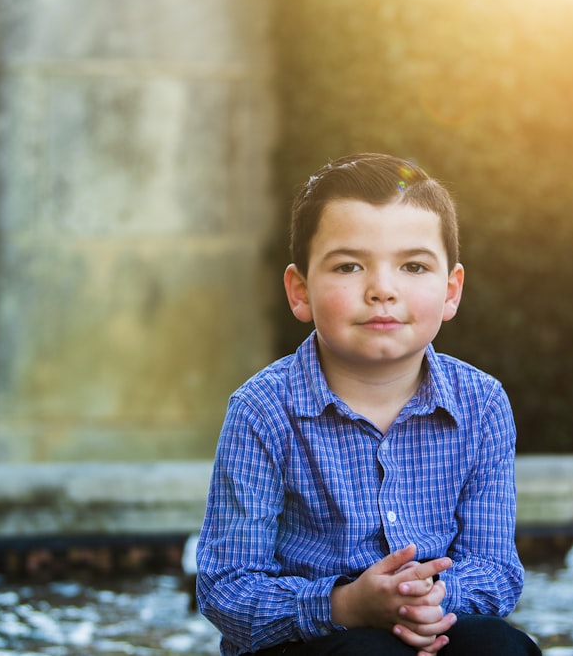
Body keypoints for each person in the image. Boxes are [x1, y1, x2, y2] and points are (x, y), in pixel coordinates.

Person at [196, 153, 540, 656]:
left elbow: (496, 570)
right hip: (308, 641)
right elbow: (227, 588)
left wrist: (427, 598)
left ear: (450, 291)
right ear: (300, 291)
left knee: (501, 648)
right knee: (368, 654)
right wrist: (345, 605)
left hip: (432, 621)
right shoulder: (263, 410)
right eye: (349, 265)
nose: (382, 289)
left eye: (413, 266)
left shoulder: (481, 403)